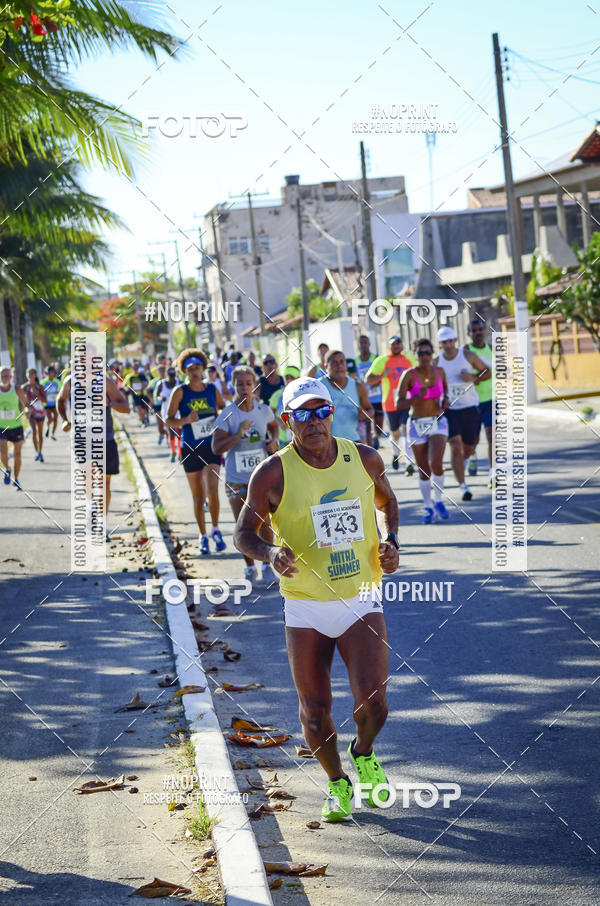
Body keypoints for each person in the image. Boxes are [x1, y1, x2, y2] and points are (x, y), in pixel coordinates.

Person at [233, 376, 399, 822]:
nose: (313, 423)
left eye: (320, 411)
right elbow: (243, 534)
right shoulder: (271, 472)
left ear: (331, 413)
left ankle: (363, 751)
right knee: (314, 712)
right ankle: (338, 783)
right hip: (305, 605)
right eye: (301, 415)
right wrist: (270, 553)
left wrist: (391, 542)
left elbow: (388, 502)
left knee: (375, 702)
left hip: (361, 597)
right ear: (287, 421)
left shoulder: (363, 458)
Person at [212, 365, 279, 585]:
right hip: (235, 478)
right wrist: (238, 433)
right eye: (240, 383)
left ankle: (267, 565)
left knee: (266, 521)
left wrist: (272, 441)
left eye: (248, 383)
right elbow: (216, 448)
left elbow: (273, 426)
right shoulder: (228, 414)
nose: (244, 388)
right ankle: (250, 568)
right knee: (243, 525)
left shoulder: (262, 410)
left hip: (261, 477)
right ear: (234, 385)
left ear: (255, 386)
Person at [166, 349, 227, 555]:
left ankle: (216, 530)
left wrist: (217, 419)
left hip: (211, 447)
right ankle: (202, 536)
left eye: (197, 368)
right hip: (190, 448)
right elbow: (169, 419)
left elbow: (223, 409)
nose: (194, 372)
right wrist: (185, 421)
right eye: (190, 369)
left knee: (212, 490)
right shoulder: (180, 392)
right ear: (185, 371)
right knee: (198, 496)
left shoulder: (211, 389)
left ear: (203, 369)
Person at [57, 370, 129, 527]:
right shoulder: (70, 381)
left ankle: (102, 523)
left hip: (105, 438)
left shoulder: (106, 382)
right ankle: (92, 505)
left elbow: (126, 407)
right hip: (82, 438)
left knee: (105, 482)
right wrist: (65, 420)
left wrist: (110, 403)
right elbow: (60, 400)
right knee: (87, 476)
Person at [397, 338, 451, 523]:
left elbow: (447, 393)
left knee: (436, 462)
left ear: (432, 354)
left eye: (428, 353)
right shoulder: (409, 375)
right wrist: (416, 398)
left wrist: (446, 402)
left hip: (438, 421)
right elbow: (399, 403)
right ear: (415, 354)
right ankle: (427, 506)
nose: (425, 356)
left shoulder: (440, 372)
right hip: (417, 423)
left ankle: (438, 501)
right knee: (424, 469)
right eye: (421, 353)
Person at [435, 326, 490, 501]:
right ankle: (462, 486)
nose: (449, 345)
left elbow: (487, 372)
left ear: (455, 341)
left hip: (470, 407)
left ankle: (467, 458)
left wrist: (473, 378)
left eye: (451, 341)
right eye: (445, 342)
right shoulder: (437, 362)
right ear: (440, 344)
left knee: (469, 446)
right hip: (450, 410)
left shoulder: (467, 355)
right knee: (455, 445)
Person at [366, 336, 414, 472]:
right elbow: (368, 379)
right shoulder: (382, 360)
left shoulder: (409, 360)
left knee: (406, 430)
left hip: (406, 401)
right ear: (389, 346)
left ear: (402, 345)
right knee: (395, 433)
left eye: (399, 343)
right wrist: (382, 375)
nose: (396, 346)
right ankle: (395, 454)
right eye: (393, 344)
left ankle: (409, 463)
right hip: (390, 402)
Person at [319, 350, 373, 443]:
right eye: (334, 362)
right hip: (327, 444)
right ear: (325, 366)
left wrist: (364, 414)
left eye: (342, 362)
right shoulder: (319, 387)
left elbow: (370, 410)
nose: (339, 366)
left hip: (353, 442)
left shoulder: (357, 386)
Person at [466, 316, 494, 488]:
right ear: (469, 334)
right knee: (473, 439)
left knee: (492, 436)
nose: (477, 333)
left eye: (480, 329)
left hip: (491, 399)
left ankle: (493, 474)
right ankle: (472, 455)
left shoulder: (492, 349)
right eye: (474, 330)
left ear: (484, 331)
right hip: (472, 402)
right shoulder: (465, 351)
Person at [0, 367, 28, 490]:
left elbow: (26, 404)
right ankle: (7, 468)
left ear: (11, 377)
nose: (4, 378)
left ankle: (16, 479)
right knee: (3, 451)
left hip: (16, 426)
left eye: (7, 376)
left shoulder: (16, 390)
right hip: (2, 426)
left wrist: (27, 411)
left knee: (17, 453)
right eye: (2, 376)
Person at [356, 334, 383, 449]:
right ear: (358, 345)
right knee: (367, 422)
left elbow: (381, 376)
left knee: (379, 425)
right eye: (361, 343)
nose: (363, 345)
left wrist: (371, 384)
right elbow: (354, 378)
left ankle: (376, 436)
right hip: (364, 398)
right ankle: (370, 444)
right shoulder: (356, 361)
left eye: (365, 343)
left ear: (369, 344)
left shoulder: (376, 358)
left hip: (378, 396)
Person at [269, 365, 301, 446]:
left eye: (292, 377)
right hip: (283, 441)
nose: (289, 380)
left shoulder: (303, 394)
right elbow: (269, 413)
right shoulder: (277, 395)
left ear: (298, 378)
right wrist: (279, 422)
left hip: (301, 438)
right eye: (287, 377)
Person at [155, 366, 181, 462]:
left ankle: (180, 453)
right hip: (166, 410)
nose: (172, 378)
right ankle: (173, 452)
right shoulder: (161, 384)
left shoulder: (179, 383)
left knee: (179, 432)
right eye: (170, 376)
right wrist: (161, 399)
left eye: (173, 376)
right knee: (171, 432)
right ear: (167, 375)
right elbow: (156, 396)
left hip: (178, 411)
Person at [22, 369, 46, 462]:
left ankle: (40, 452)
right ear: (26, 375)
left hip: (40, 412)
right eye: (29, 373)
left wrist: (37, 395)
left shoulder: (40, 387)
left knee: (40, 434)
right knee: (34, 431)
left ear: (35, 375)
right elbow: (22, 401)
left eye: (33, 373)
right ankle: (37, 452)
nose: (31, 375)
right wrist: (25, 409)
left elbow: (45, 400)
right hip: (31, 412)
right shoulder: (24, 387)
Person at [147, 363, 167, 444]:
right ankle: (161, 433)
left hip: (166, 404)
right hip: (157, 404)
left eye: (163, 370)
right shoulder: (154, 382)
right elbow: (147, 391)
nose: (162, 372)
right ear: (158, 372)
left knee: (167, 422)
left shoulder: (169, 380)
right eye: (160, 371)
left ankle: (168, 439)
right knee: (160, 423)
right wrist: (152, 399)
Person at [42, 365, 61, 441]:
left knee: (56, 419)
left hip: (55, 403)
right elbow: (39, 391)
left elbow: (62, 390)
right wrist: (44, 393)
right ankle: (47, 427)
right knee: (50, 419)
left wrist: (58, 392)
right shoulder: (43, 382)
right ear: (48, 373)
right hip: (47, 404)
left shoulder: (57, 382)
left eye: (53, 372)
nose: (52, 374)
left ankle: (52, 433)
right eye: (50, 372)